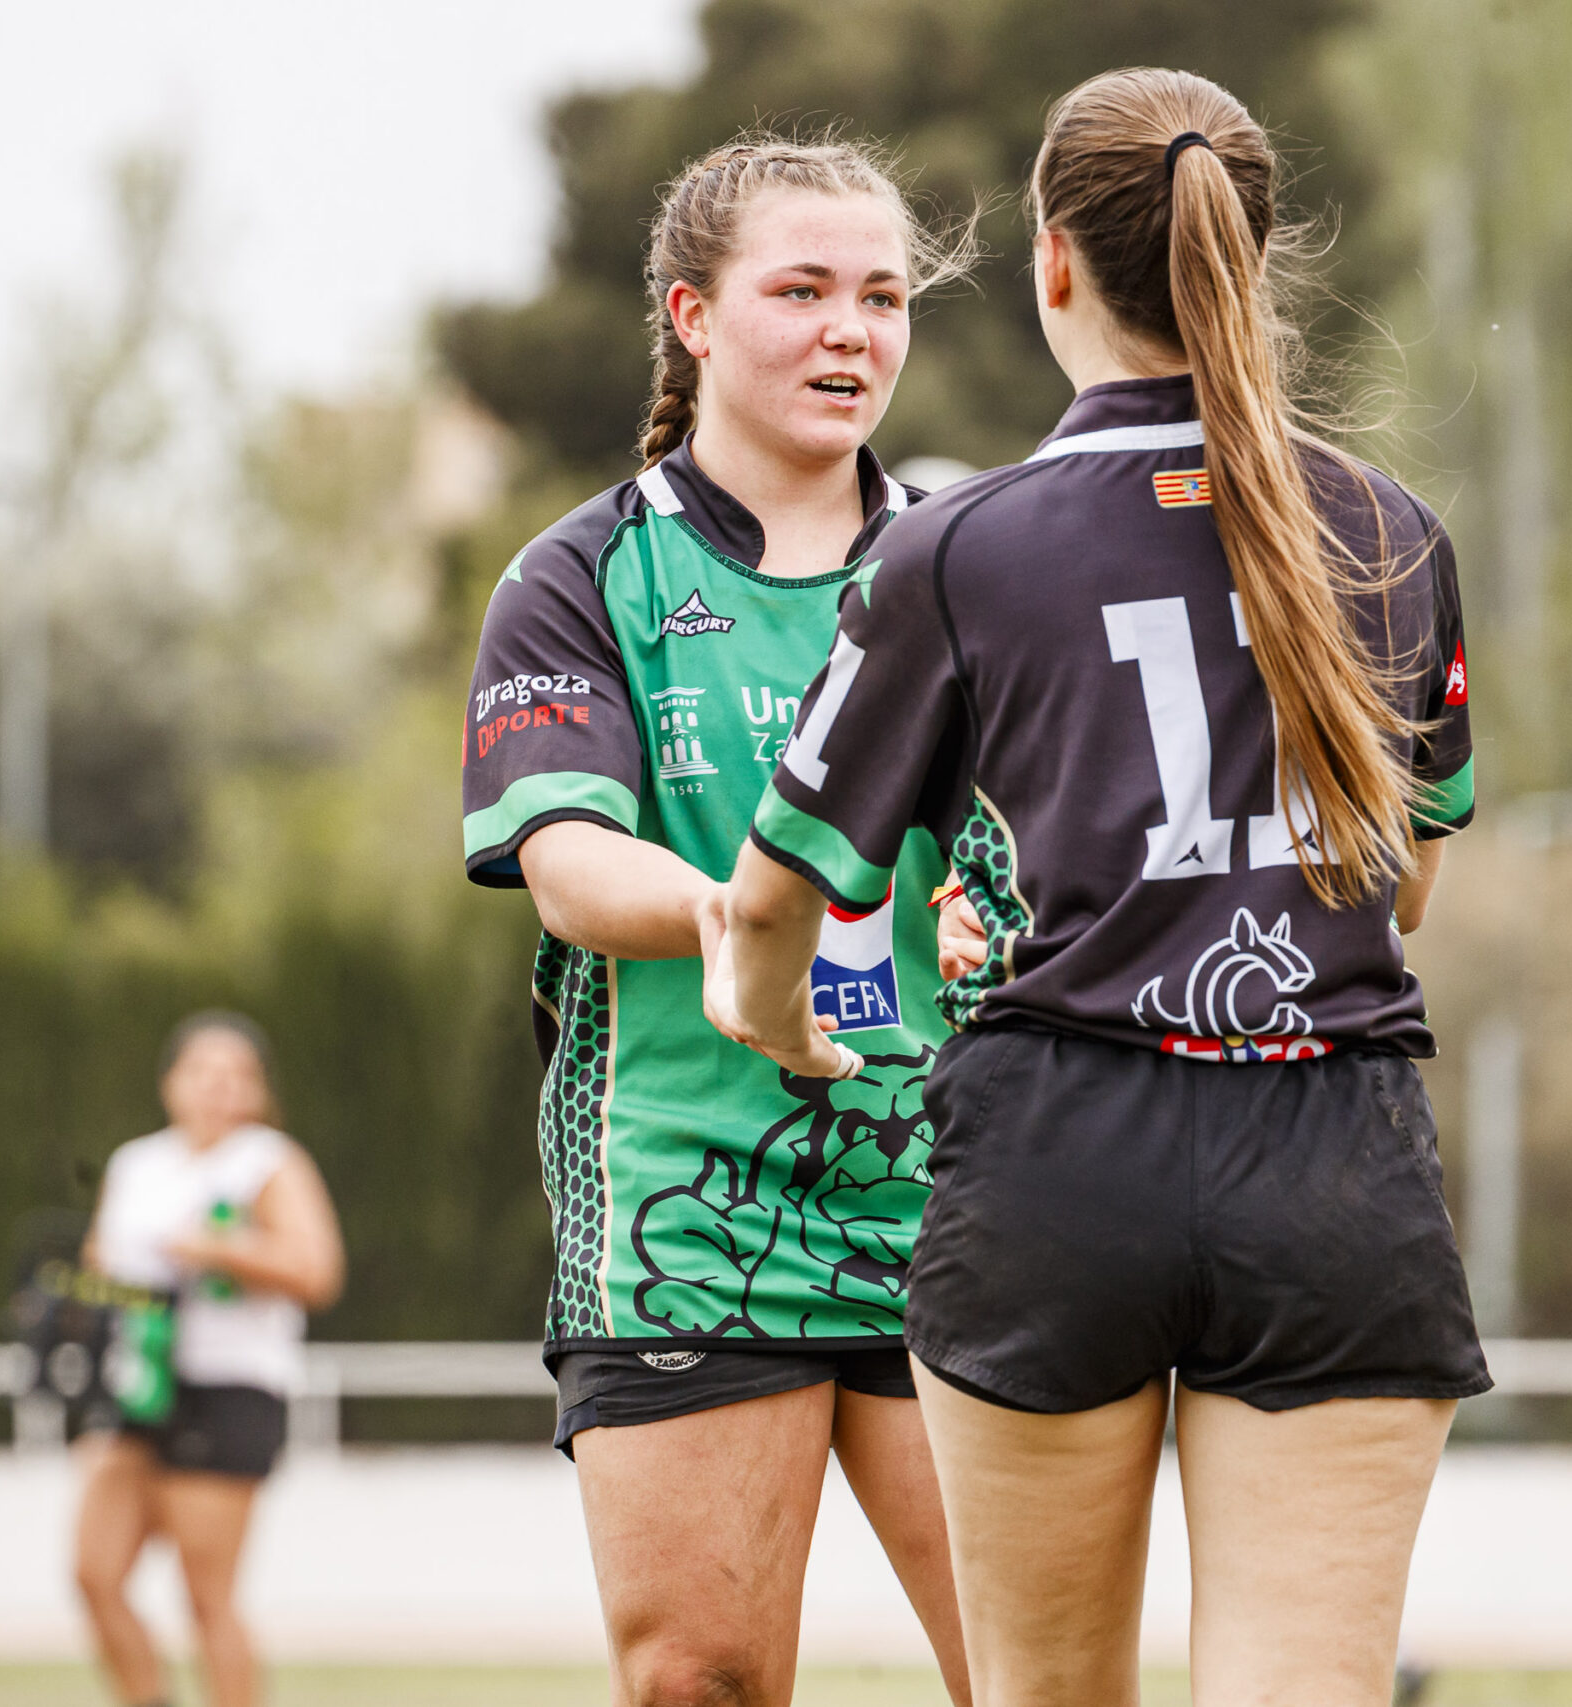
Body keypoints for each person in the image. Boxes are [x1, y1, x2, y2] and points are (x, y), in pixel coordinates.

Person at [710, 69, 1484, 1707]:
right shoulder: (1394, 530)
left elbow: (778, 901)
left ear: (1053, 262)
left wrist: (778, 1020)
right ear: (1246, 260)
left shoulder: (952, 548)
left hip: (1060, 1154)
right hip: (1334, 1155)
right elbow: (1403, 886)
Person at [459, 135, 975, 1705]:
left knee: (1041, 1676)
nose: (852, 331)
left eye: (882, 296)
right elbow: (568, 864)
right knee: (700, 1677)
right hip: (688, 1186)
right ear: (690, 315)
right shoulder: (582, 573)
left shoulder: (978, 553)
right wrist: (756, 926)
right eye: (802, 290)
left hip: (964, 1185)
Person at [74, 1012, 344, 1707]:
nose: (218, 1089)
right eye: (202, 1072)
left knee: (205, 1594)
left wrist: (220, 1248)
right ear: (171, 1083)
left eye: (236, 1076)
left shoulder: (267, 1162)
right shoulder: (135, 1163)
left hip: (229, 1384)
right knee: (94, 1571)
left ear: (257, 1090)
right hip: (139, 1380)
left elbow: (317, 1270)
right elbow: (101, 1260)